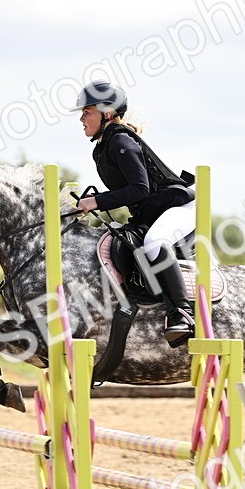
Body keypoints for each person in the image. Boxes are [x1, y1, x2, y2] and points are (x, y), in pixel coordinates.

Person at [72, 81, 196, 347]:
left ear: (107, 113)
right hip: (154, 211)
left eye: (87, 112)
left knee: (154, 243)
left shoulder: (121, 141)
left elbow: (140, 189)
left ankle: (182, 312)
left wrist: (96, 202)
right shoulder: (103, 147)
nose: (82, 118)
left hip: (179, 207)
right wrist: (91, 203)